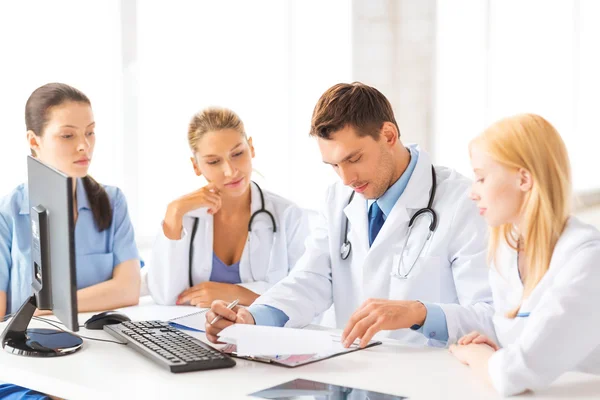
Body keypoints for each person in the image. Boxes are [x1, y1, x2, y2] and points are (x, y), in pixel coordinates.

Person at [205, 82, 495, 347]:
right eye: (333, 165)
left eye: (353, 158)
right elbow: (311, 278)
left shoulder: (463, 202)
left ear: (389, 135)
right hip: (355, 372)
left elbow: (489, 316)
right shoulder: (339, 198)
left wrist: (418, 312)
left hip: (429, 379)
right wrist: (252, 318)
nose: (346, 178)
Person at [0, 83, 142, 400]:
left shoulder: (112, 201)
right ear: (34, 141)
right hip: (28, 363)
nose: (84, 146)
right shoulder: (8, 212)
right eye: (68, 135)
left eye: (90, 133)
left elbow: (128, 289)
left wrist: (44, 309)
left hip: (102, 355)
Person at [449, 114, 600, 396]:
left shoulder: (586, 258)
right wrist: (496, 347)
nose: (472, 192)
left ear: (524, 179)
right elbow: (523, 342)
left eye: (481, 178)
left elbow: (512, 375)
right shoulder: (507, 250)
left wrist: (476, 356)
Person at [148, 107, 309, 307]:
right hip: (194, 333)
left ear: (251, 148)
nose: (230, 171)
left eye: (238, 154)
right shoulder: (186, 217)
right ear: (196, 166)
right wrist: (174, 213)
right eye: (214, 161)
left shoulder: (288, 216)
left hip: (265, 335)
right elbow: (164, 296)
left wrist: (235, 293)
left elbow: (304, 297)